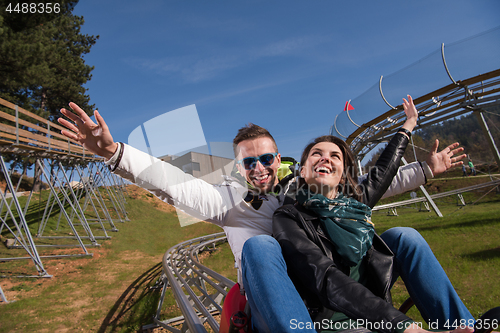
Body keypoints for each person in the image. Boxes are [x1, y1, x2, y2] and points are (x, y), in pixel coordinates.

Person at [57, 100, 465, 332]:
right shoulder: (228, 202)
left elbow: (362, 188)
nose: (259, 168)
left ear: (279, 158)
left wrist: (426, 169)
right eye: (248, 163)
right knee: (261, 244)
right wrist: (115, 153)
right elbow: (174, 182)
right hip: (283, 309)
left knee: (403, 235)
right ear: (237, 168)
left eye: (267, 158)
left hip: (327, 288)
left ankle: (458, 326)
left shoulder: (300, 190)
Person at [272, 98, 476, 333]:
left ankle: (465, 328)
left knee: (404, 236)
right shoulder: (289, 216)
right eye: (316, 154)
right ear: (304, 170)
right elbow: (326, 277)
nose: (326, 158)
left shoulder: (355, 204)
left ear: (343, 174)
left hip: (375, 307)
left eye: (335, 156)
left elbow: (385, 169)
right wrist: (404, 327)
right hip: (336, 318)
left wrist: (409, 125)